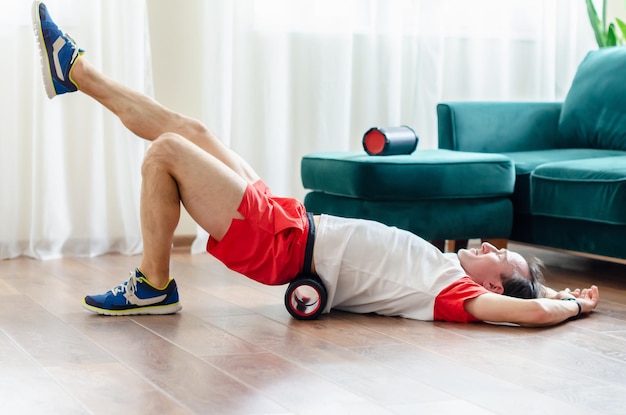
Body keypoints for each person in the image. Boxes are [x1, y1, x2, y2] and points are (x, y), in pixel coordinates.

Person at [32, 1, 599, 327]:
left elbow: (524, 314)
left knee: (166, 154)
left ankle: (153, 284)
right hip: (289, 220)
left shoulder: (452, 294)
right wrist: (553, 290)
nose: (495, 248)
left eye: (505, 260)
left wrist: (564, 305)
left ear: (497, 286)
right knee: (194, 132)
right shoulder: (445, 267)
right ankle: (75, 72)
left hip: (283, 245)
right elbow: (530, 297)